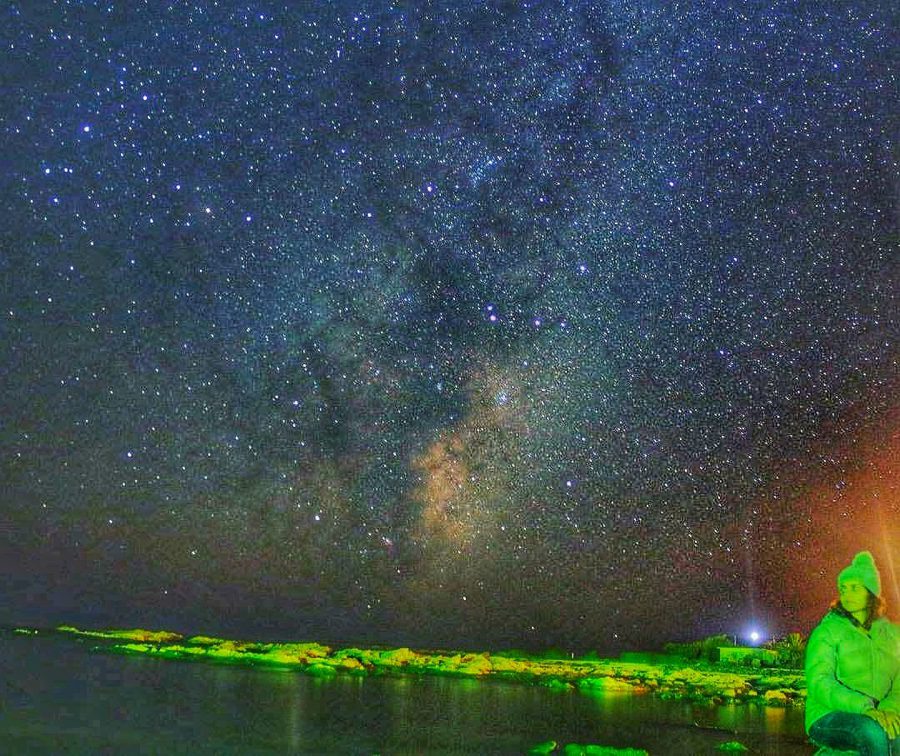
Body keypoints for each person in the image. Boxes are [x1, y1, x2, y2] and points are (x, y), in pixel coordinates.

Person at [805, 551, 900, 755]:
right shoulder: (828, 631)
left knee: (896, 735)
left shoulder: (893, 635)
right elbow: (819, 681)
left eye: (855, 588)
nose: (847, 595)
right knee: (871, 733)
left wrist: (890, 709)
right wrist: (865, 708)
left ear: (871, 592)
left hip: (880, 712)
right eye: (843, 589)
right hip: (827, 714)